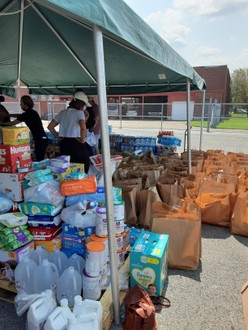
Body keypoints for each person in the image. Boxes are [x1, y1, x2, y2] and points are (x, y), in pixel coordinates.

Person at [47, 91, 91, 173]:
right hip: (76, 144)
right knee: (83, 166)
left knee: (67, 168)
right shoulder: (79, 113)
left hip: (64, 143)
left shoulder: (63, 113)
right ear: (81, 104)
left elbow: (50, 126)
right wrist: (82, 140)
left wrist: (57, 137)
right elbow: (83, 128)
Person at [0, 95, 48, 161]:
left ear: (25, 105)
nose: (20, 105)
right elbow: (20, 115)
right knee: (40, 157)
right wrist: (8, 115)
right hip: (42, 138)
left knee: (39, 158)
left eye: (21, 103)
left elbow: (12, 123)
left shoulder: (27, 115)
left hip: (40, 139)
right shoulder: (32, 112)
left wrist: (2, 123)